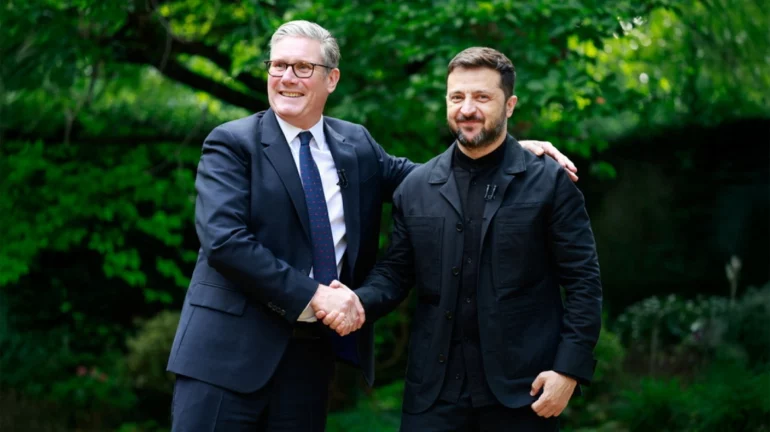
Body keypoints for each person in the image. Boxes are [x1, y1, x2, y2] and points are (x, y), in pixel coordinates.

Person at [166, 19, 578, 431]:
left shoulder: (357, 145)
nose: (287, 77)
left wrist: (503, 152)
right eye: (278, 65)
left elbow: (435, 182)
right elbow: (225, 242)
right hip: (224, 357)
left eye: (303, 67)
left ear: (332, 79)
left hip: (309, 360)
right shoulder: (232, 143)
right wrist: (315, 295)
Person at [325, 47, 602, 431]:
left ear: (510, 105)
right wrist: (357, 301)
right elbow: (395, 273)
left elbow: (584, 282)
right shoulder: (416, 187)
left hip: (524, 394)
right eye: (457, 97)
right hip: (432, 398)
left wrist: (568, 370)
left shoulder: (550, 182)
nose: (467, 109)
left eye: (482, 97)